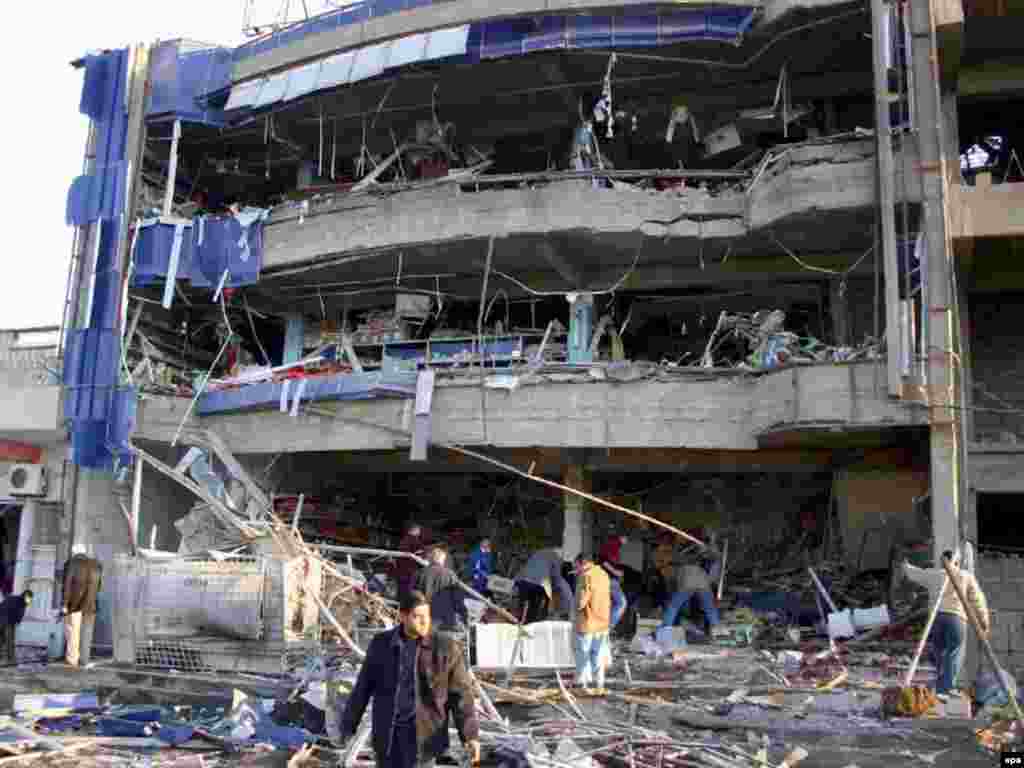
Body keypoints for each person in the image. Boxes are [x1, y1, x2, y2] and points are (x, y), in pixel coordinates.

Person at [338, 590, 481, 768]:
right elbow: (363, 688)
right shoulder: (382, 644)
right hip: (388, 736)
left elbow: (461, 695)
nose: (424, 621)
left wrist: (470, 736)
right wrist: (348, 726)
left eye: (427, 615)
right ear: (402, 616)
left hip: (424, 737)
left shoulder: (446, 648)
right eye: (417, 616)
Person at [904, 549, 990, 697]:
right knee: (954, 653)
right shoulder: (965, 576)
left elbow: (914, 573)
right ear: (957, 561)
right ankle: (945, 688)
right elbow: (978, 600)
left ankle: (939, 684)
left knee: (939, 651)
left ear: (942, 562)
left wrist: (904, 564)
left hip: (936, 618)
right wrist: (984, 621)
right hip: (957, 619)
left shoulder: (934, 575)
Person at [573, 553, 611, 694]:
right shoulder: (603, 574)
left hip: (587, 623)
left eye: (576, 565)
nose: (575, 568)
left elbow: (581, 601)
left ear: (582, 563)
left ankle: (583, 686)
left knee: (583, 654)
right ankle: (599, 685)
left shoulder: (585, 576)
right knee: (597, 654)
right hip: (603, 622)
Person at [61, 550, 102, 668]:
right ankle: (84, 659)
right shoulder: (96, 565)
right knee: (87, 632)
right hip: (91, 606)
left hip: (74, 605)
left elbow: (67, 586)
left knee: (73, 632)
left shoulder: (71, 564)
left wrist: (64, 604)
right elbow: (99, 587)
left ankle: (72, 660)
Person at [660, 558, 720, 638]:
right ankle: (718, 632)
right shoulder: (698, 568)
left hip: (689, 583)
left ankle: (665, 628)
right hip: (704, 584)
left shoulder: (680, 570)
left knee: (673, 606)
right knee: (710, 609)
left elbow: (678, 585)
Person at [416, 545, 467, 633]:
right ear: (442, 560)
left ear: (431, 559)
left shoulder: (420, 573)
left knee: (423, 643)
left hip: (424, 615)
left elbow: (413, 595)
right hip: (444, 619)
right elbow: (458, 599)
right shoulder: (450, 575)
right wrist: (464, 615)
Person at [515, 547, 573, 624]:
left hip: (522, 580)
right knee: (539, 601)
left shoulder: (538, 553)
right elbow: (556, 578)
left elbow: (528, 566)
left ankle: (518, 622)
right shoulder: (556, 558)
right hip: (537, 584)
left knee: (522, 602)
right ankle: (534, 623)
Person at [598, 533, 628, 630]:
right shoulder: (613, 543)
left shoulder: (615, 545)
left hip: (609, 579)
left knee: (610, 604)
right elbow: (602, 560)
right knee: (621, 603)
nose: (627, 541)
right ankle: (607, 628)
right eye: (626, 538)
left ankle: (603, 628)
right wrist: (615, 572)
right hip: (609, 579)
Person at [393, 523, 425, 600]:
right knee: (408, 593)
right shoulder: (415, 541)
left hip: (400, 571)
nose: (419, 533)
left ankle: (398, 608)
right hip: (410, 572)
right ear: (416, 530)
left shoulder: (402, 540)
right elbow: (422, 555)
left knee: (400, 593)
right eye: (419, 531)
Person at [0, 590, 32, 664]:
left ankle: (7, 658)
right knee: (9, 640)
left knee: (2, 639)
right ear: (26, 596)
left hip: (3, 620)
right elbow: (19, 614)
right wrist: (17, 621)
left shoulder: (13, 598)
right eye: (29, 598)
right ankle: (10, 659)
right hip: (8, 621)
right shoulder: (21, 602)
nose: (30, 600)